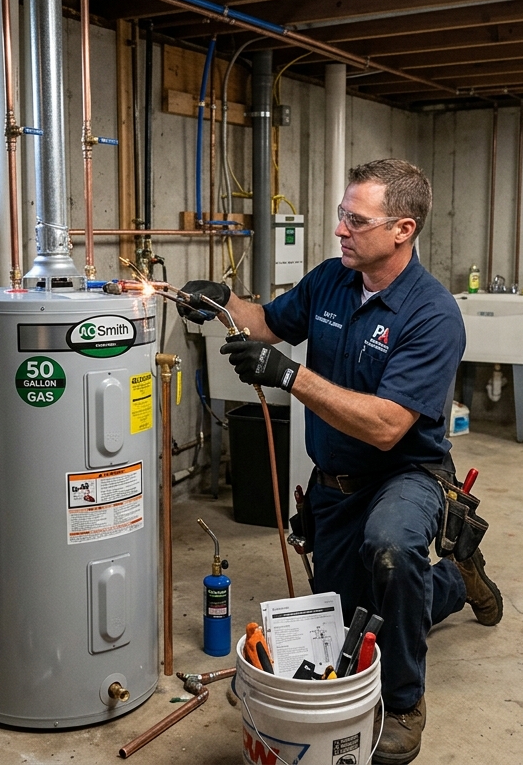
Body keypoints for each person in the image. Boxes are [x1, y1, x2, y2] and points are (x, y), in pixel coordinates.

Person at [177, 159, 502, 765]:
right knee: (357, 624)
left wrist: (291, 377)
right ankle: (457, 580)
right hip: (334, 482)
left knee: (391, 549)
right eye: (341, 214)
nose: (340, 229)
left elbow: (387, 427)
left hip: (405, 475)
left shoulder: (432, 314)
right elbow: (266, 323)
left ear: (403, 229)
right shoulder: (331, 279)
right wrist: (224, 303)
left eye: (357, 219)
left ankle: (403, 704)